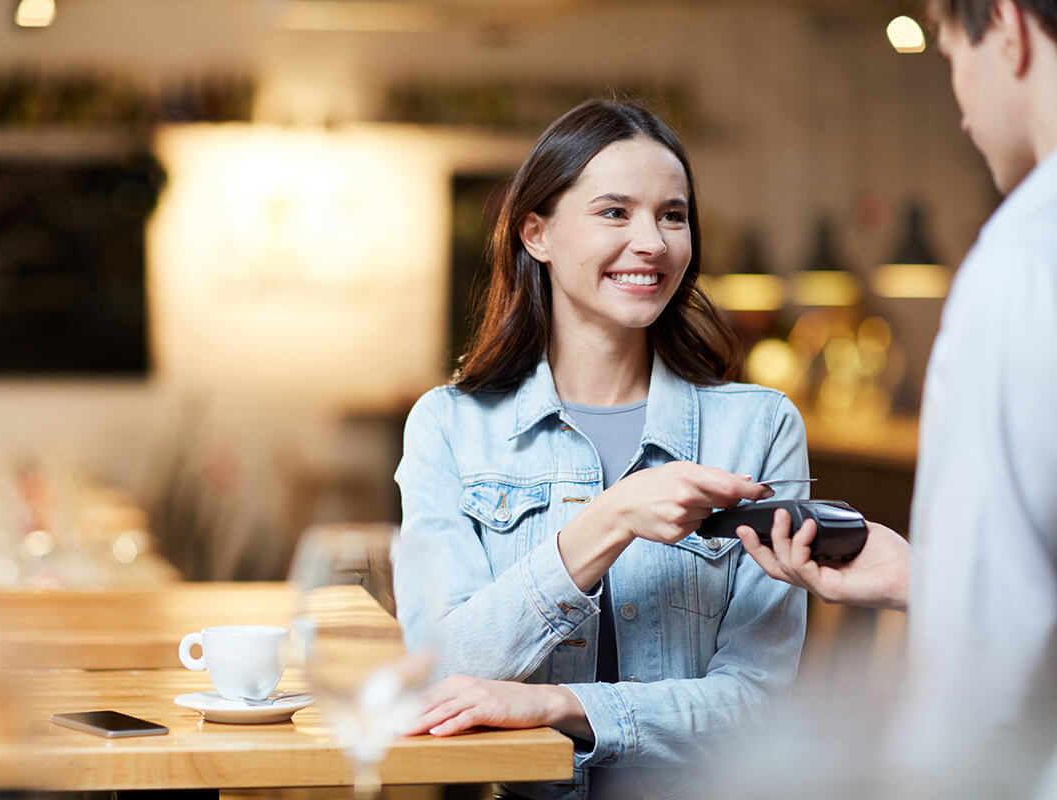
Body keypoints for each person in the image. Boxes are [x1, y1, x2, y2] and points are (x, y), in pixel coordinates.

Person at [393, 99, 810, 800]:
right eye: (615, 213)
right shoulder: (449, 425)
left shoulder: (760, 429)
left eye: (672, 215)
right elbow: (436, 673)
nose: (651, 241)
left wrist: (566, 708)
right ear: (537, 234)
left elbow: (758, 705)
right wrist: (608, 520)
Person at [737, 0, 1057, 766]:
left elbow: (983, 670)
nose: (960, 108)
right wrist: (929, 577)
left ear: (1007, 31)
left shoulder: (1021, 264)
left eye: (950, 59)